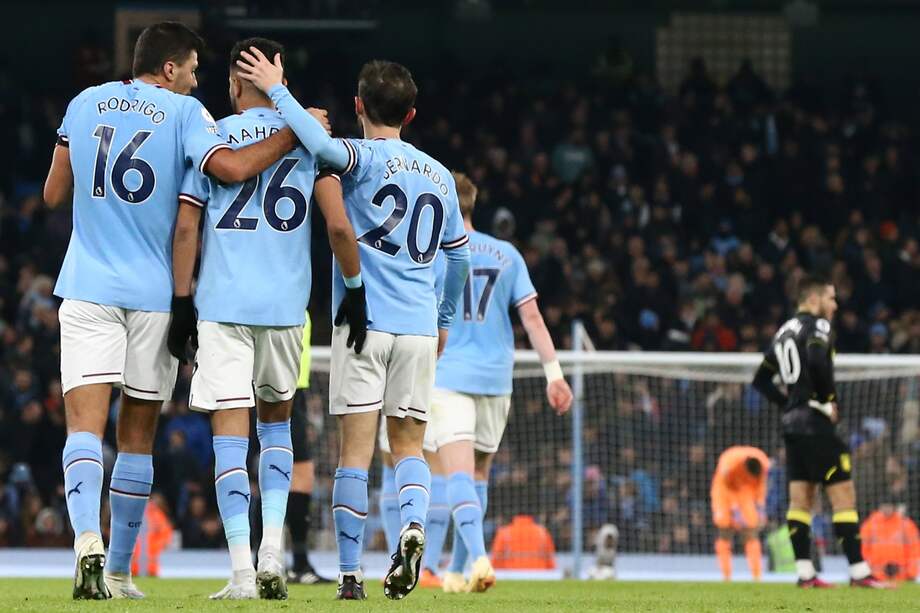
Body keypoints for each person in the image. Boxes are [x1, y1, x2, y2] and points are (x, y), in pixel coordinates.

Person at [43, 21, 298, 600]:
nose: (196, 80)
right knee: (137, 435)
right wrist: (292, 135)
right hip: (154, 296)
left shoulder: (83, 102)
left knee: (83, 428)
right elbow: (229, 169)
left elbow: (53, 195)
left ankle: (86, 539)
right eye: (192, 70)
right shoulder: (187, 115)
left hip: (86, 286)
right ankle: (118, 572)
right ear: (169, 69)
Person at [236, 50, 470, 600]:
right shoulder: (440, 175)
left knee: (354, 455)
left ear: (358, 106)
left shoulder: (357, 156)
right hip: (418, 326)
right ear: (410, 115)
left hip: (364, 323)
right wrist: (443, 319)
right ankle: (413, 527)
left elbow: (318, 147)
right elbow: (459, 258)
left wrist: (277, 91)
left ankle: (349, 577)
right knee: (409, 446)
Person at [169, 37, 365, 600]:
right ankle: (272, 553)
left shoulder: (211, 136)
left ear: (234, 85)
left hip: (223, 306)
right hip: (286, 311)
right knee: (277, 429)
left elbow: (187, 227)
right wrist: (354, 288)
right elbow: (337, 225)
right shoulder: (309, 139)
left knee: (230, 436)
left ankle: (240, 571)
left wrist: (182, 301)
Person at [423, 172, 572, 593]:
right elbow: (533, 318)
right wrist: (554, 375)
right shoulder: (507, 254)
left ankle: (479, 558)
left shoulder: (432, 254)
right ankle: (457, 571)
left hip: (449, 375)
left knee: (456, 474)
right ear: (474, 203)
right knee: (480, 474)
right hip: (495, 379)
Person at [752, 275, 886, 588]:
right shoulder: (819, 325)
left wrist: (789, 404)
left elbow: (760, 380)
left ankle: (806, 574)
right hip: (815, 421)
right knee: (843, 494)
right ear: (814, 299)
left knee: (800, 498)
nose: (835, 305)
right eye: (831, 298)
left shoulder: (783, 331)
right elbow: (816, 359)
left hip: (792, 425)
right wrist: (828, 401)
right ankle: (859, 572)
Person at [285, 312, 332, 585]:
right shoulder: (290, 297)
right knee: (294, 475)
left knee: (291, 476)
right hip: (281, 388)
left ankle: (271, 560)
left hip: (294, 389)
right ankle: (296, 562)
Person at [710, 446, 769, 581]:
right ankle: (726, 576)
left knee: (751, 530)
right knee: (725, 529)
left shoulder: (763, 462)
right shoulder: (728, 462)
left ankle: (757, 577)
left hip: (745, 491)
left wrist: (760, 508)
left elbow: (761, 485)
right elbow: (727, 485)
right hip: (723, 491)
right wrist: (734, 508)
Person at [860, 501, 920, 582]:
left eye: (889, 506)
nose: (887, 509)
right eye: (884, 505)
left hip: (903, 575)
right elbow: (863, 550)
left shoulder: (906, 524)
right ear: (880, 507)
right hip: (876, 575)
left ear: (894, 507)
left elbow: (915, 550)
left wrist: (912, 572)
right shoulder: (869, 525)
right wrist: (866, 572)